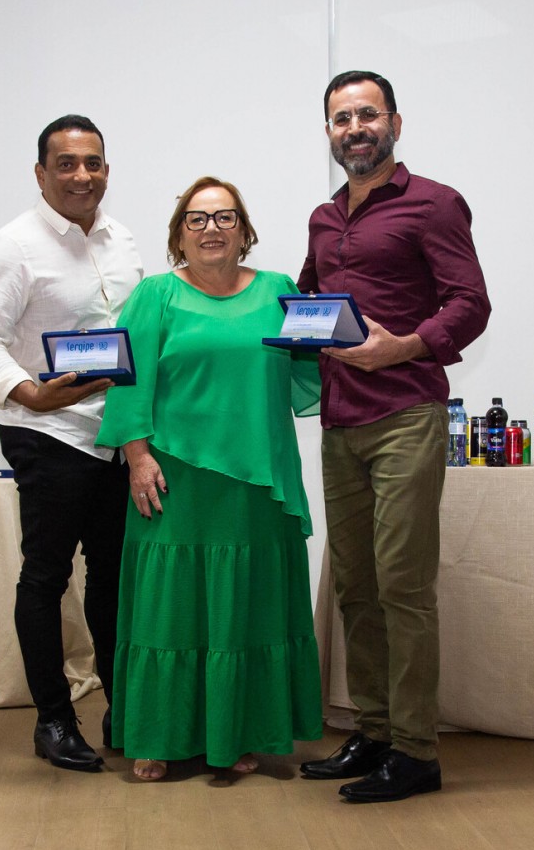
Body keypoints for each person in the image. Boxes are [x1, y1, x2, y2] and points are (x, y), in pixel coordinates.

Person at [298, 71, 491, 802]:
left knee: (403, 585)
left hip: (407, 412)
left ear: (395, 124)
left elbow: (471, 302)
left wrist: (404, 346)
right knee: (355, 585)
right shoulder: (324, 217)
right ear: (328, 132)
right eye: (341, 118)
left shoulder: (434, 203)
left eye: (367, 114)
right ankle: (375, 731)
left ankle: (415, 752)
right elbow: (309, 297)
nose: (355, 128)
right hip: (340, 419)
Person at [95, 176, 323, 780]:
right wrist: (137, 457)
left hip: (258, 482)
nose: (211, 229)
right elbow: (128, 382)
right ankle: (157, 735)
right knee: (168, 609)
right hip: (173, 478)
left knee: (245, 610)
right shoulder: (156, 294)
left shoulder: (278, 289)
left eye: (225, 217)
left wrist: (354, 334)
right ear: (179, 236)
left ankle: (236, 732)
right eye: (196, 219)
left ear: (244, 231)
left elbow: (314, 364)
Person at [0, 114, 143, 771]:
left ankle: (125, 708)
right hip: (47, 432)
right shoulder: (13, 245)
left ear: (106, 170)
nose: (81, 175)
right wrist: (30, 394)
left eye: (92, 162)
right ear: (41, 174)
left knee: (115, 577)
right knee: (46, 575)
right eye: (66, 164)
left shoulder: (123, 241)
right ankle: (54, 721)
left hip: (114, 436)